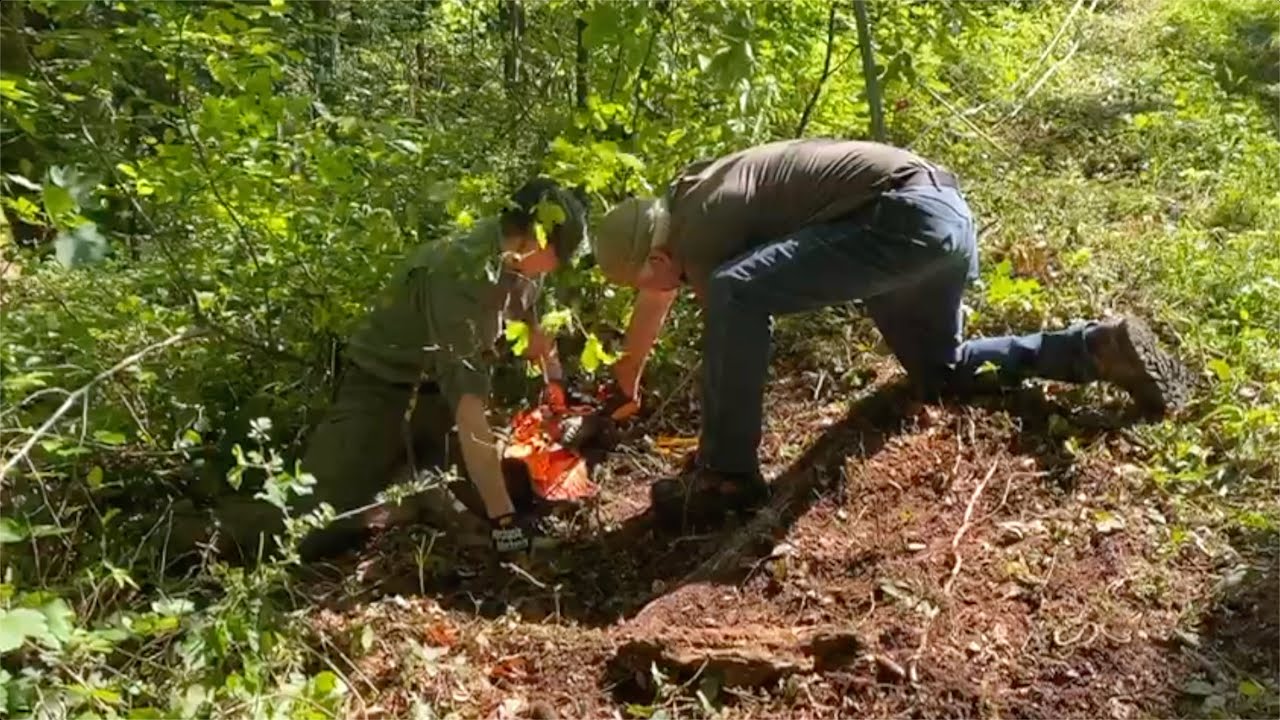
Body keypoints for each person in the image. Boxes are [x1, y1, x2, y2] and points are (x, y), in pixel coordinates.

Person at [589, 138, 1190, 528]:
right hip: (941, 218)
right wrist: (627, 379)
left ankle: (728, 476)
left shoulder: (698, 236)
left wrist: (707, 439)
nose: (665, 287)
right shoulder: (694, 195)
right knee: (942, 370)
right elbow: (659, 289)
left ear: (658, 257)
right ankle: (1094, 347)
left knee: (733, 290)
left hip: (896, 219)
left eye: (659, 277)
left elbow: (723, 307)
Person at [172, 178, 589, 563]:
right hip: (384, 391)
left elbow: (529, 323)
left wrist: (553, 379)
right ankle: (183, 529)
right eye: (559, 254)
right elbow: (469, 411)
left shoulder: (520, 259)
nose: (559, 266)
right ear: (535, 237)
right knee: (306, 529)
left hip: (436, 402)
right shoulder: (462, 277)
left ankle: (420, 488)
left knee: (519, 486)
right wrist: (504, 527)